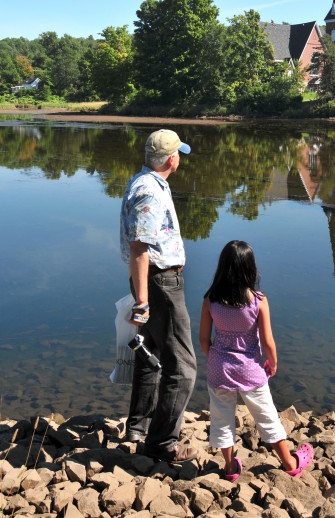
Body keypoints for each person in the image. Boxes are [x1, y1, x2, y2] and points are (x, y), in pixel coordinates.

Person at [199, 240, 313, 481]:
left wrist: (216, 359)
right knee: (266, 416)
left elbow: (203, 339)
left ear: (222, 267)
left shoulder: (211, 300)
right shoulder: (258, 301)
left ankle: (230, 468)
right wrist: (273, 361)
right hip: (250, 370)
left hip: (219, 369)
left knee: (222, 418)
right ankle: (290, 462)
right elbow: (268, 341)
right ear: (250, 269)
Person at [120, 128, 197, 463]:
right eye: (178, 152)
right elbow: (139, 247)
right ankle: (162, 443)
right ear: (171, 159)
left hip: (153, 281)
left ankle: (139, 426)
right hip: (160, 283)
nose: (179, 157)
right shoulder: (150, 192)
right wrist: (141, 302)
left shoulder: (144, 182)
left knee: (149, 353)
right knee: (182, 367)